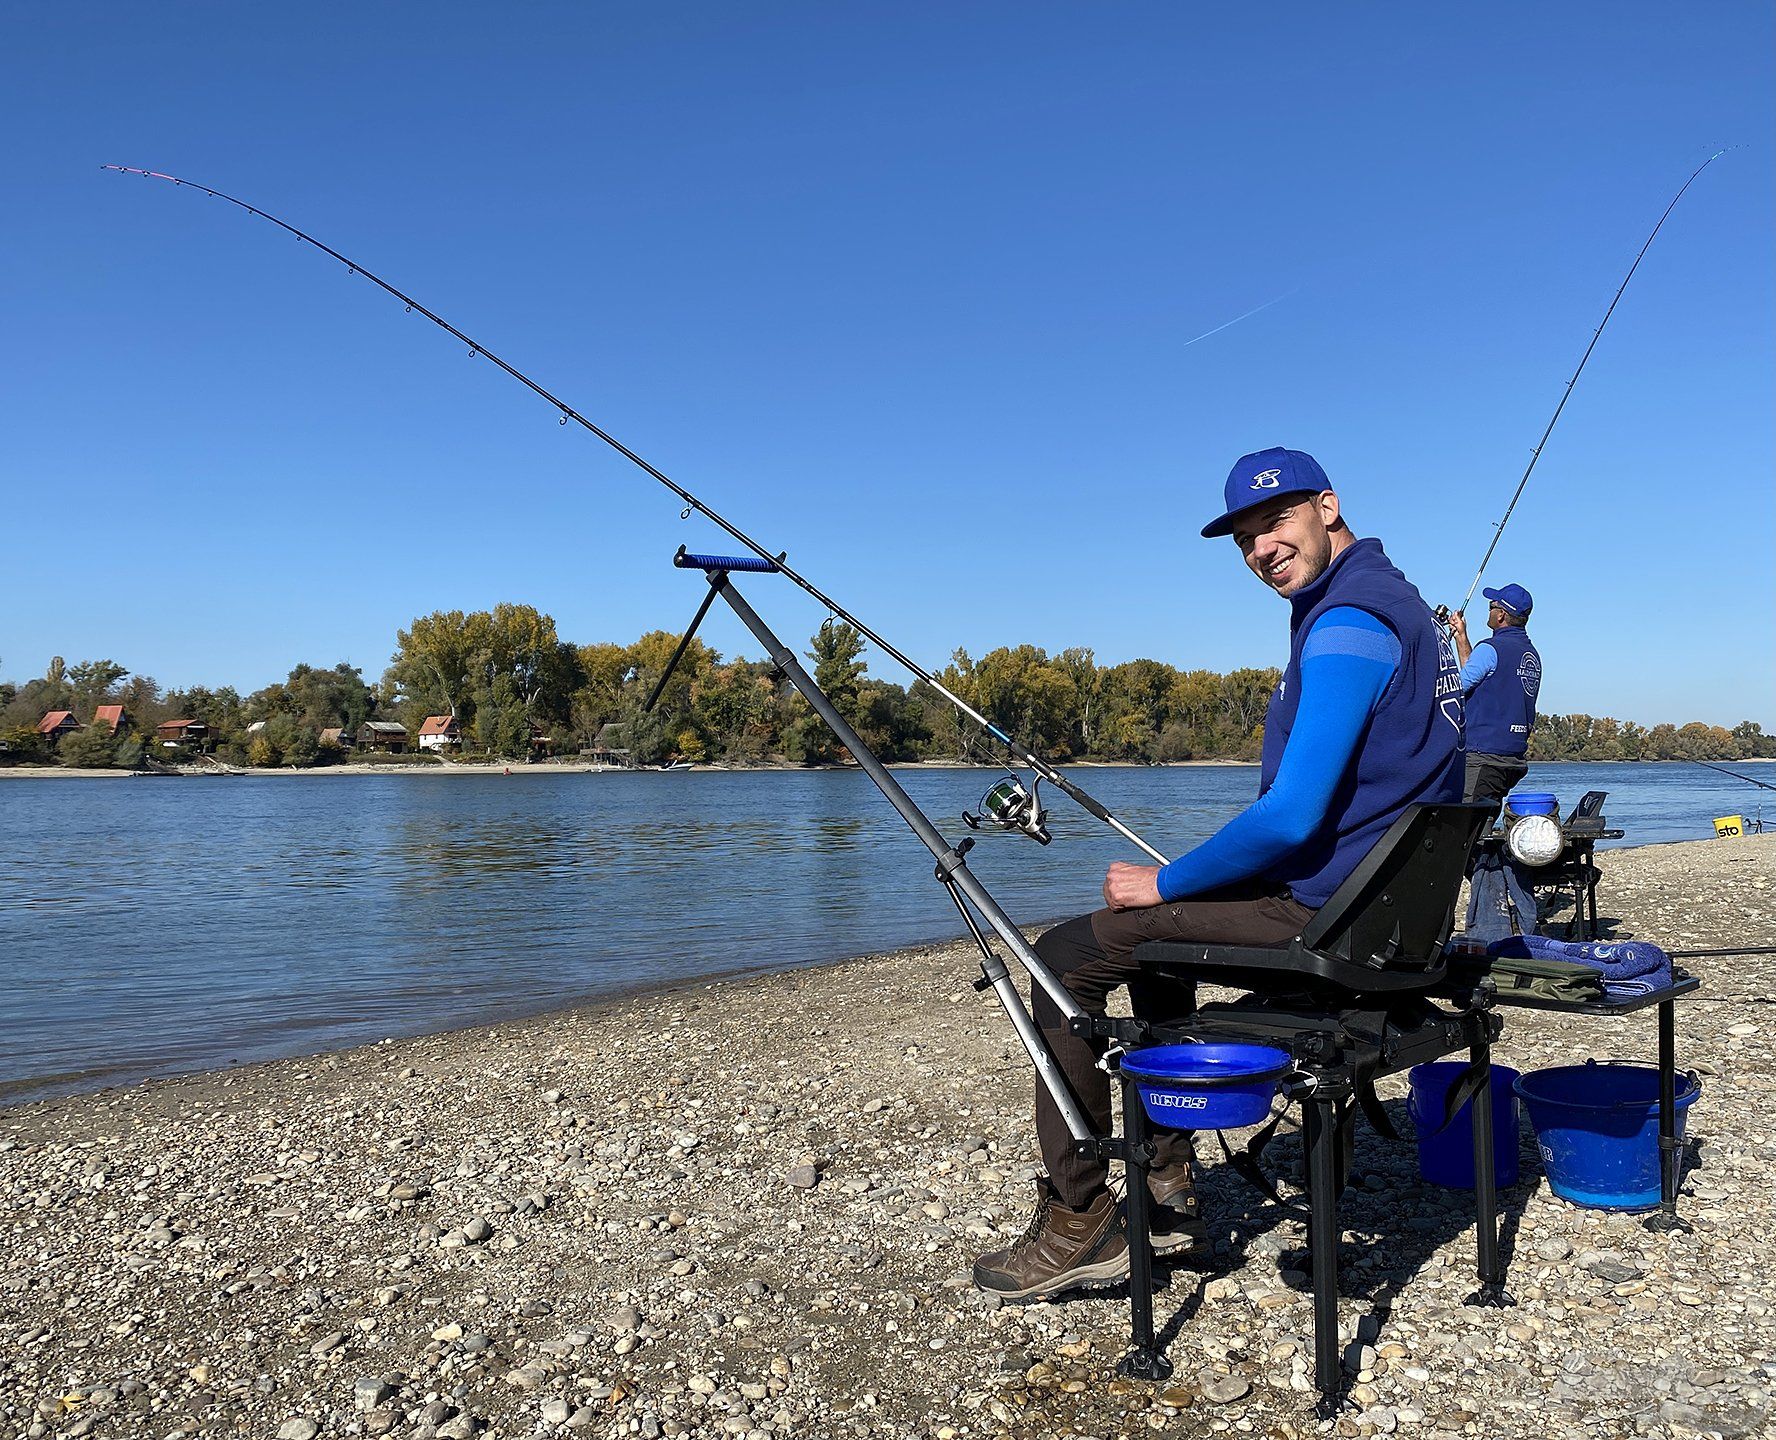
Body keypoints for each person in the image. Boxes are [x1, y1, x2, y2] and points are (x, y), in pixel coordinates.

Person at [972, 447, 1465, 1301]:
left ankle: (1077, 1219)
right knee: (1159, 939)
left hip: (1327, 917)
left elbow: (1292, 816)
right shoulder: (1395, 603)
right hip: (1374, 909)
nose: (1261, 549)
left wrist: (1162, 886)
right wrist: (1192, 883)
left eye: (1274, 522)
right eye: (1244, 538)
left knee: (1063, 959)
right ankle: (1168, 1181)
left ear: (1327, 506)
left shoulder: (1349, 620)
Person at [1448, 583, 1540, 806]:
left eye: (1491, 606)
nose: (1488, 610)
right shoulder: (1531, 654)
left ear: (1501, 615)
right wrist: (1461, 636)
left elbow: (1455, 688)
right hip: (1512, 758)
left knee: (1462, 826)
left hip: (1482, 756)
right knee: (1481, 823)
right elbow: (1478, 674)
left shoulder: (1491, 648)